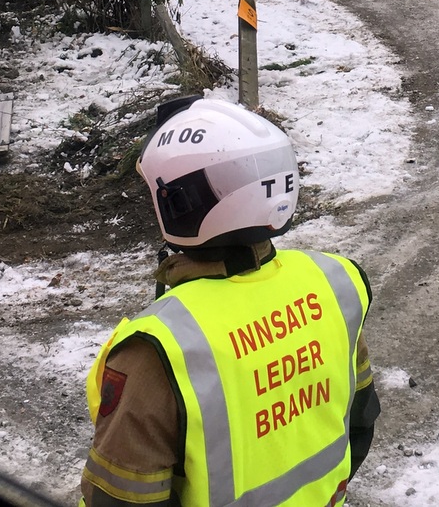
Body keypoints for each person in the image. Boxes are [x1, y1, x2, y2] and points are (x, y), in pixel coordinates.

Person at [79, 97, 379, 507]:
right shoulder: (334, 284)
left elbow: (118, 499)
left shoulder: (159, 350)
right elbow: (360, 422)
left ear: (179, 204)